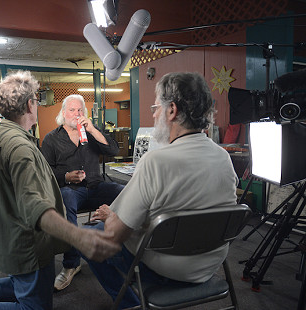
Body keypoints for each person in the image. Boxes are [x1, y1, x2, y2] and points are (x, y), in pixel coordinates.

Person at [0, 71, 121, 310]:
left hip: (13, 237)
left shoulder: (0, 135)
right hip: (29, 244)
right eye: (37, 100)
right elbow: (34, 205)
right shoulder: (20, 147)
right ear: (29, 105)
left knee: (26, 285)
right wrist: (79, 236)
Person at [85, 72, 239, 309]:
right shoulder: (223, 157)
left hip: (166, 269)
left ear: (172, 110)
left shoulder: (155, 161)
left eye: (157, 107)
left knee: (89, 236)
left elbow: (116, 233)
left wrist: (111, 216)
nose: (154, 113)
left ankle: (129, 303)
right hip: (210, 265)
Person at [41, 94, 125, 291]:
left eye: (80, 110)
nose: (76, 114)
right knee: (67, 198)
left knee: (123, 192)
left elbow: (113, 150)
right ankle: (71, 264)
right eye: (72, 110)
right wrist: (66, 177)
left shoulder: (91, 133)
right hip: (71, 190)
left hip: (96, 186)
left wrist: (93, 129)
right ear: (63, 113)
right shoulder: (52, 139)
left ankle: (122, 253)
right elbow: (45, 172)